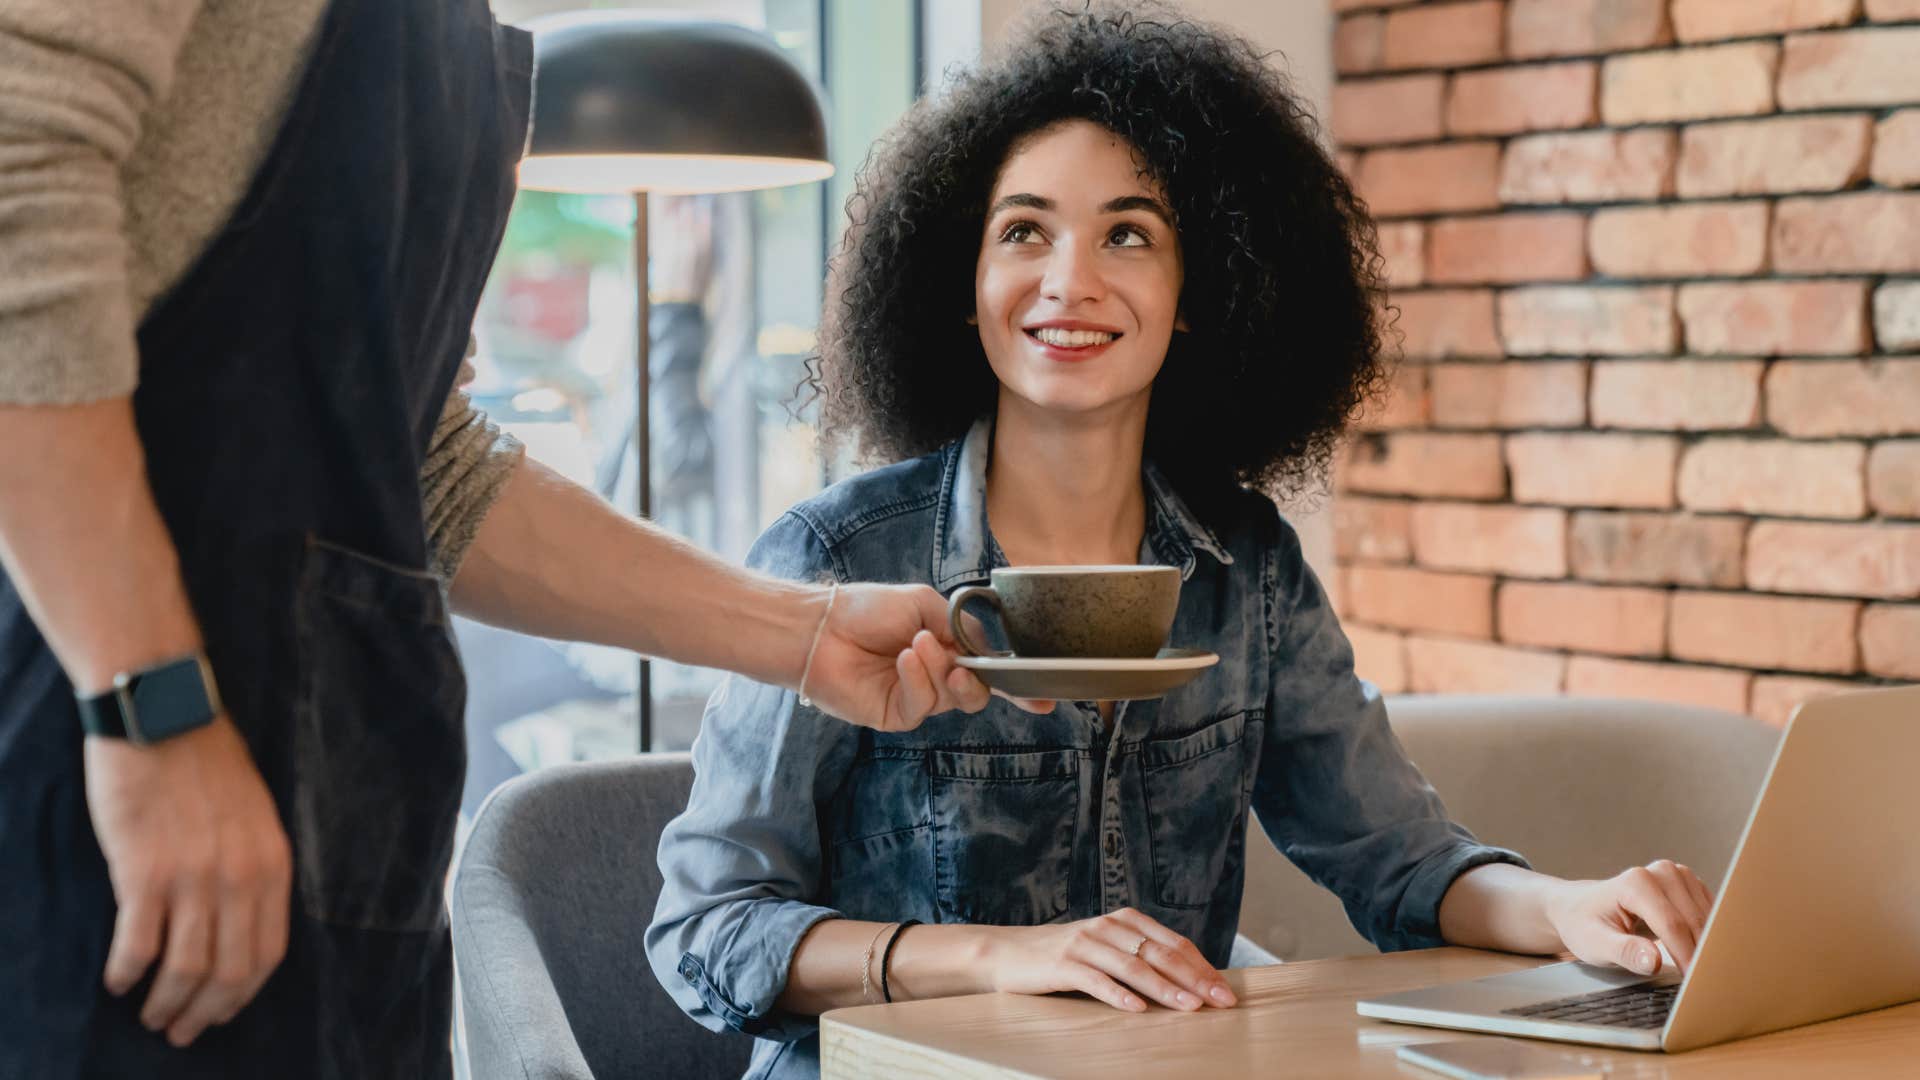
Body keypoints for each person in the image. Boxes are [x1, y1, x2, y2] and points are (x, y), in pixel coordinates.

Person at [646, 6, 1716, 1077]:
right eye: (1024, 230)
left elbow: (1402, 865)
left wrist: (1574, 908)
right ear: (960, 288)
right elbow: (706, 931)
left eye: (1128, 233)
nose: (1070, 279)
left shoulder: (1248, 572)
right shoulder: (838, 557)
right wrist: (996, 959)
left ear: (1197, 292)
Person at [0, 3, 1012, 1076]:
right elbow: (17, 172)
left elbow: (427, 463)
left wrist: (803, 633)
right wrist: (154, 714)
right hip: (121, 807)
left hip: (354, 843)